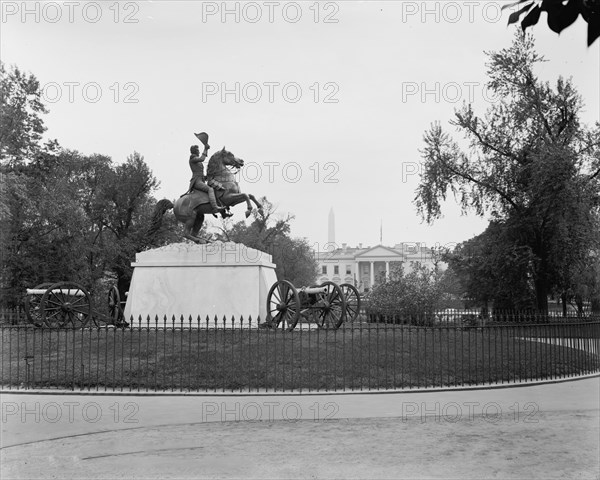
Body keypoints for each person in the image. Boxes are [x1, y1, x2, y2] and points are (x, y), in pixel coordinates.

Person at [187, 144, 226, 214]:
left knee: (214, 188)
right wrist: (205, 149)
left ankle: (223, 212)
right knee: (210, 189)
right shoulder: (193, 159)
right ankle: (215, 207)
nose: (199, 152)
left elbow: (200, 172)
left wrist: (207, 176)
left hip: (201, 179)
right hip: (196, 181)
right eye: (198, 150)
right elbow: (202, 159)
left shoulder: (196, 161)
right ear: (195, 151)